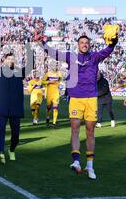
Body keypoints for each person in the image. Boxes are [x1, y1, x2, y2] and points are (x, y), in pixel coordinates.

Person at [36, 24, 119, 180]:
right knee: (74, 129)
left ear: (89, 45)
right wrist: (43, 43)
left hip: (91, 99)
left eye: (86, 43)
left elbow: (109, 50)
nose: (84, 44)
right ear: (78, 45)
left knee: (90, 131)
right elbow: (55, 54)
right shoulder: (71, 56)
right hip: (75, 98)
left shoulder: (95, 57)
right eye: (81, 42)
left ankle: (90, 165)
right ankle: (76, 161)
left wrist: (114, 41)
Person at [0, 37, 33, 164]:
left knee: (16, 134)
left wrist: (28, 47)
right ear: (4, 60)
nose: (11, 61)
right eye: (8, 59)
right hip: (1, 106)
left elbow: (30, 65)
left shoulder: (19, 72)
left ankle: (11, 150)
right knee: (1, 130)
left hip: (15, 107)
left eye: (13, 59)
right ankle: (1, 152)